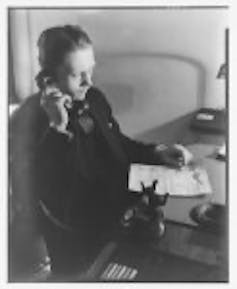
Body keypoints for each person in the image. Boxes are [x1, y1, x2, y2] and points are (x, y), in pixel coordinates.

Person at [10, 25, 192, 280]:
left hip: (121, 216)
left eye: (91, 70)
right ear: (49, 79)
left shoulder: (92, 98)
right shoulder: (29, 120)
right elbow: (41, 195)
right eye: (78, 75)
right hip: (81, 241)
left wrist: (157, 151)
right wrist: (58, 127)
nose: (89, 81)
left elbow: (117, 145)